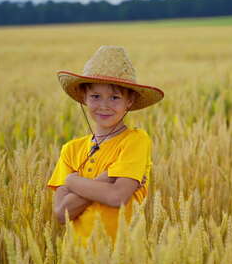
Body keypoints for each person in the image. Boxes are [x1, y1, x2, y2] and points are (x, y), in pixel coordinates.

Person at [47, 45, 164, 242]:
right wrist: (106, 179)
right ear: (84, 97)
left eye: (114, 97)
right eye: (95, 96)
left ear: (130, 101)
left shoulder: (135, 140)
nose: (104, 105)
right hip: (76, 259)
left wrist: (73, 181)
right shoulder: (70, 149)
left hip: (123, 256)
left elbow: (117, 197)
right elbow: (61, 214)